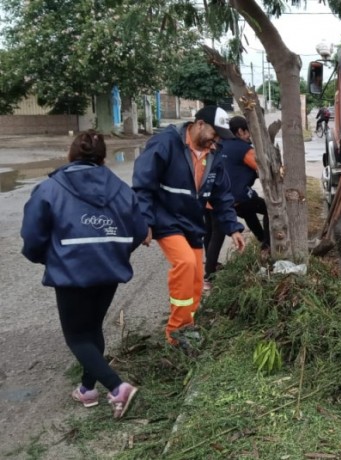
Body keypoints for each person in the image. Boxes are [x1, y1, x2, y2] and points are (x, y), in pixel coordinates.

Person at [21, 131, 148, 419]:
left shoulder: (50, 189)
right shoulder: (121, 189)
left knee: (77, 337)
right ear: (103, 158)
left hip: (72, 271)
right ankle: (87, 389)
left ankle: (118, 388)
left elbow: (32, 236)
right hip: (109, 270)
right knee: (92, 329)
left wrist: (48, 258)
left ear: (70, 155)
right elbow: (139, 230)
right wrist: (115, 251)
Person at [133, 106, 246, 348]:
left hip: (192, 221)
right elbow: (144, 184)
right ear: (200, 124)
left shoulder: (213, 155)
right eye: (215, 134)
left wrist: (233, 228)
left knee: (195, 277)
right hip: (166, 218)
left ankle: (188, 324)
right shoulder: (166, 144)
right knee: (184, 263)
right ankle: (176, 332)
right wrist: (145, 221)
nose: (216, 141)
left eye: (220, 137)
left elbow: (222, 196)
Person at [203, 116, 270, 285]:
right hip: (230, 198)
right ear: (240, 131)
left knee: (212, 232)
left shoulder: (217, 145)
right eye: (248, 132)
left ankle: (211, 267)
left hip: (209, 197)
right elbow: (263, 169)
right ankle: (209, 275)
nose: (249, 136)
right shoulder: (244, 149)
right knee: (268, 209)